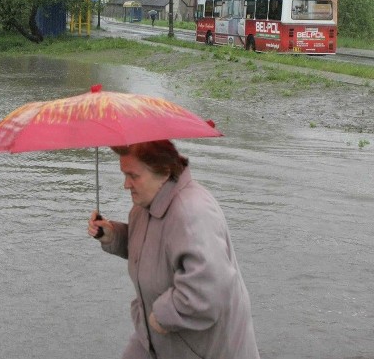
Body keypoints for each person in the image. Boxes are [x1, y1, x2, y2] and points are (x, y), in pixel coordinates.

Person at [88, 140, 260, 359]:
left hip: (201, 348)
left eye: (133, 176)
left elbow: (208, 290)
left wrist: (163, 315)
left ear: (165, 171)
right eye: (124, 175)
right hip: (154, 338)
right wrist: (113, 235)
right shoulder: (144, 206)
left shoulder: (192, 213)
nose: (126, 184)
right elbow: (154, 251)